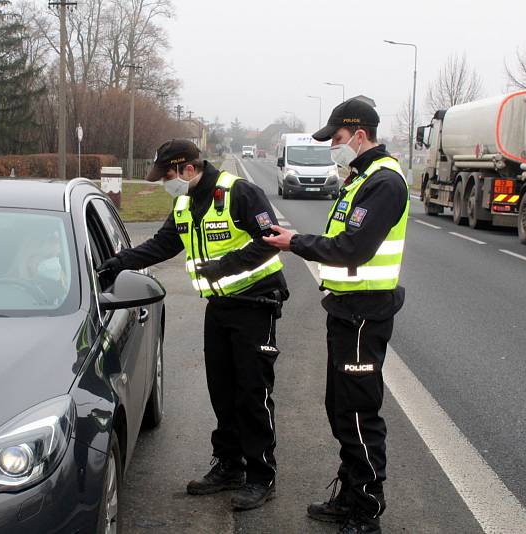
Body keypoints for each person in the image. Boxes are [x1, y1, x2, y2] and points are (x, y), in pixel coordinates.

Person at [99, 139, 288, 511]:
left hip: (255, 304)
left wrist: (224, 266)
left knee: (252, 393)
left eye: (168, 175)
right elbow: (162, 244)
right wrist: (118, 262)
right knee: (222, 390)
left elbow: (271, 241)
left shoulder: (239, 193)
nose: (166, 183)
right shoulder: (185, 202)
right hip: (219, 307)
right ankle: (230, 465)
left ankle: (262, 476)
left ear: (187, 169)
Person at [263, 99, 408, 534]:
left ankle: (366, 508)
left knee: (360, 411)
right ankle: (350, 493)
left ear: (359, 135)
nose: (335, 149)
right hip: (345, 309)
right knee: (341, 407)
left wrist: (295, 242)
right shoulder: (359, 178)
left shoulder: (384, 183)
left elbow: (353, 248)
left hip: (365, 311)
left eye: (339, 140)